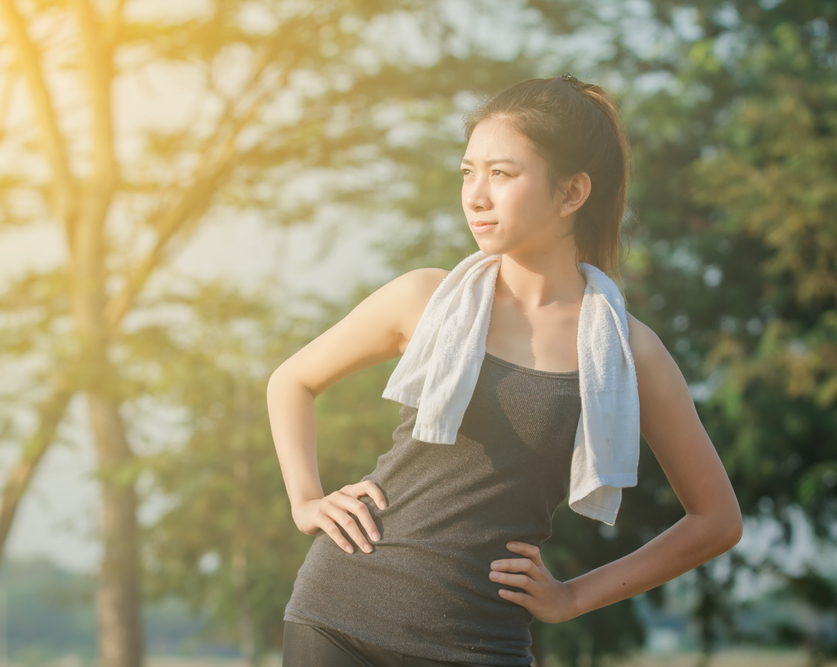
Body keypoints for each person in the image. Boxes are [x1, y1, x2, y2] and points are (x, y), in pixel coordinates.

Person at [267, 74, 742, 667]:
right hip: (338, 619)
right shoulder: (423, 298)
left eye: (502, 173)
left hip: (482, 643)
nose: (476, 195)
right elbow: (291, 381)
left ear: (571, 193)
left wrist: (572, 597)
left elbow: (716, 520)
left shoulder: (627, 352)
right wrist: (306, 500)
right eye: (468, 172)